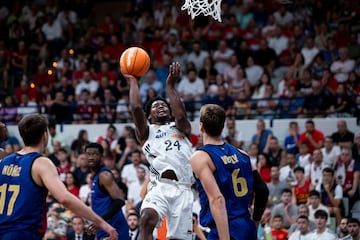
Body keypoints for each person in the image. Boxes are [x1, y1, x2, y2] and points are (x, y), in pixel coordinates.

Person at [0, 113, 118, 240]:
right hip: (23, 233)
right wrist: (102, 223)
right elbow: (64, 198)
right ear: (45, 135)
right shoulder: (41, 163)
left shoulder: (5, 161)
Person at [124, 62, 194, 240]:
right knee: (146, 218)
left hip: (183, 189)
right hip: (159, 186)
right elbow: (136, 108)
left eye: (164, 105)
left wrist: (170, 85)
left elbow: (180, 115)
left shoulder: (181, 127)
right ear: (149, 116)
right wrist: (133, 81)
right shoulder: (146, 132)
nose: (161, 106)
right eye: (155, 106)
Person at [190, 104, 269, 239]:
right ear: (223, 126)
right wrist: (255, 222)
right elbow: (262, 189)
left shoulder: (201, 157)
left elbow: (217, 199)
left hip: (225, 230)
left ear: (201, 126)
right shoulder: (242, 154)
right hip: (246, 226)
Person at [85, 142, 129, 240]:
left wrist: (100, 221)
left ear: (101, 156)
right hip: (103, 228)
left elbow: (120, 200)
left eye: (95, 154)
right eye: (88, 154)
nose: (91, 157)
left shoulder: (104, 175)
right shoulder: (94, 176)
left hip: (115, 229)